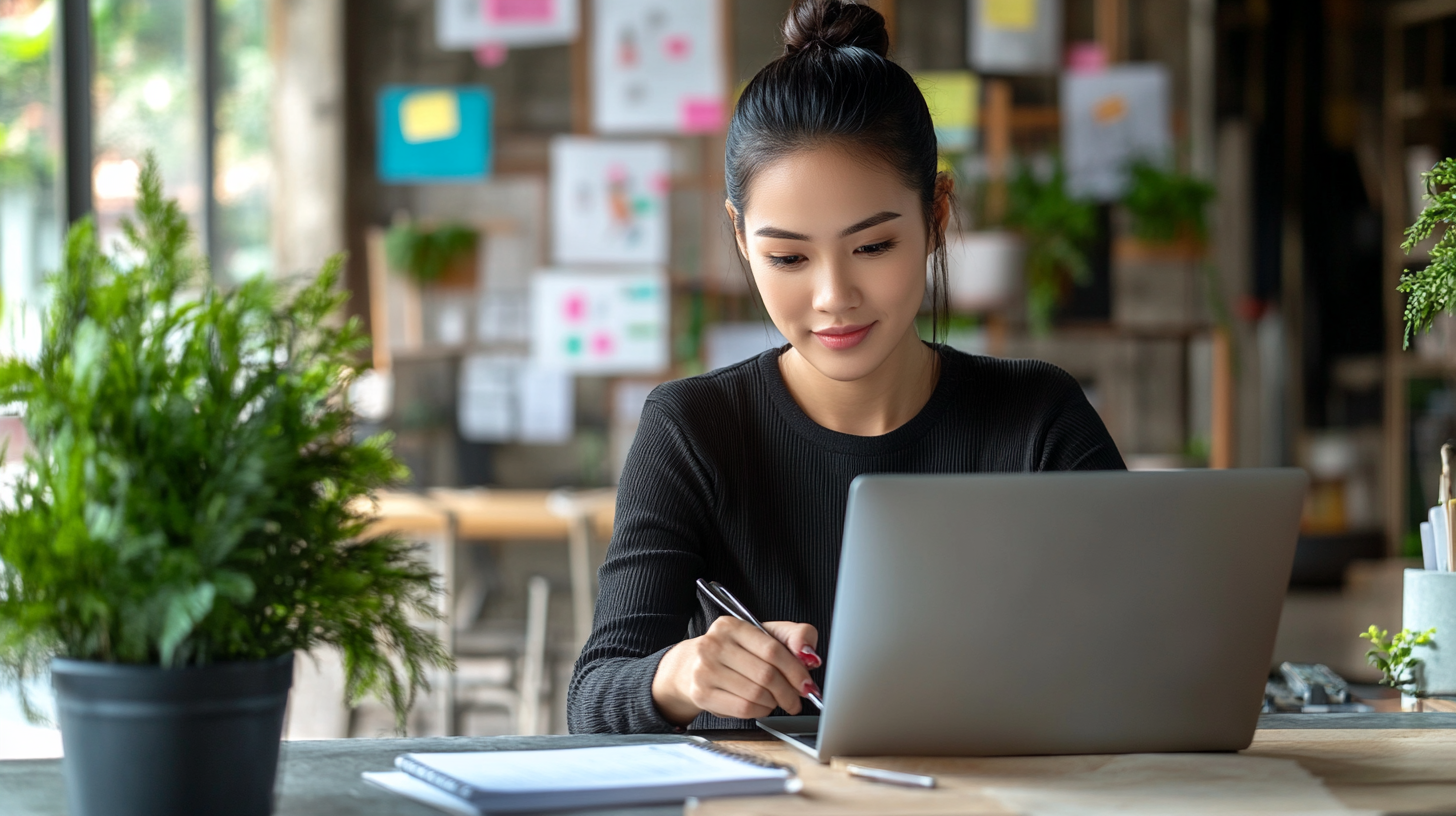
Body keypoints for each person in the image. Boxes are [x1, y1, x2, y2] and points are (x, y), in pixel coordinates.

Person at [567, 0, 1124, 735]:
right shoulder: (693, 429)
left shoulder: (1039, 420)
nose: (834, 298)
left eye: (873, 247)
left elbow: (1141, 656)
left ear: (936, 216)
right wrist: (679, 675)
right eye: (789, 257)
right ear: (740, 236)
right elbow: (592, 698)